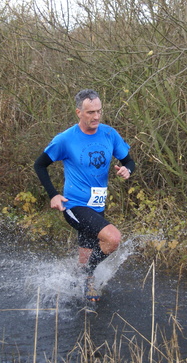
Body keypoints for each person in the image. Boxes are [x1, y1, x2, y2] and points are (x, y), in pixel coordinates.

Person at [33, 89, 135, 302]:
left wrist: (127, 170)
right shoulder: (66, 139)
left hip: (98, 203)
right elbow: (40, 164)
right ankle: (87, 276)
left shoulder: (109, 133)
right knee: (112, 238)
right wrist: (53, 195)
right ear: (78, 112)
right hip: (75, 205)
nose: (96, 117)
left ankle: (74, 289)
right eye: (90, 112)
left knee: (85, 256)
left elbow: (129, 160)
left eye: (99, 111)